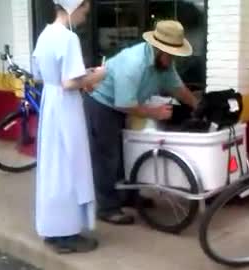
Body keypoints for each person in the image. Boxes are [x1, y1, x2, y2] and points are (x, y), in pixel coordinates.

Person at [83, 20, 199, 225]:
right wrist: (154, 113)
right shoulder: (133, 63)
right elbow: (125, 103)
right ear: (157, 48)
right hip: (102, 104)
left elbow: (178, 89)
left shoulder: (164, 63)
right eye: (170, 54)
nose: (172, 59)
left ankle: (128, 196)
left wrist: (198, 106)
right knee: (107, 157)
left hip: (125, 104)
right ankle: (107, 207)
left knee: (126, 154)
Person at [31, 0, 104, 254]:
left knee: (53, 168)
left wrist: (81, 75)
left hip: (49, 104)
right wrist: (97, 75)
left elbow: (40, 74)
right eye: (84, 9)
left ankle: (53, 230)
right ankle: (68, 234)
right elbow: (70, 83)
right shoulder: (68, 38)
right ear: (74, 7)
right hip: (66, 107)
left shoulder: (45, 34)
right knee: (70, 168)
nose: (85, 15)